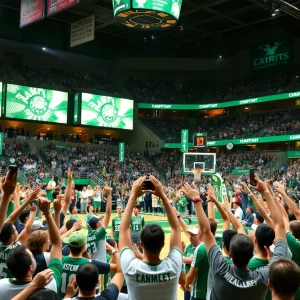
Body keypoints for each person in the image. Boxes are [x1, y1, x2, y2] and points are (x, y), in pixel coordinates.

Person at [182, 174, 289, 300]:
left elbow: (205, 231)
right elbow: (280, 226)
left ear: (230, 254)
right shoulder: (263, 277)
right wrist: (265, 191)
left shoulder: (220, 269)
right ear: (251, 255)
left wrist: (197, 200)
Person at [119, 176, 182, 300]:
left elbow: (123, 229)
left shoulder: (131, 268)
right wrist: (163, 196)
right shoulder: (173, 266)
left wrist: (132, 196)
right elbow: (176, 228)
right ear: (163, 244)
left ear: (141, 244)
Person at [0, 197, 63, 299]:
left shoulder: (1, 285)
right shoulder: (48, 285)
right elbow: (56, 243)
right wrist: (48, 213)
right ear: (30, 267)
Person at [58, 231, 118, 298]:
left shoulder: (59, 260)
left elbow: (56, 243)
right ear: (84, 246)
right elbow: (117, 268)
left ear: (68, 245)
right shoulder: (89, 265)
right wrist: (113, 250)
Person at [0, 188, 40, 279]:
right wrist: (33, 212)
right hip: (10, 285)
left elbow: (10, 220)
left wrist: (27, 202)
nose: (17, 230)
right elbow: (27, 229)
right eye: (15, 229)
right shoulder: (16, 249)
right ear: (12, 237)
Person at [87, 185, 112, 263]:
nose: (102, 221)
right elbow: (108, 213)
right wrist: (109, 195)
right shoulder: (100, 233)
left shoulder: (88, 236)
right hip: (100, 264)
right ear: (97, 224)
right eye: (100, 221)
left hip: (92, 263)